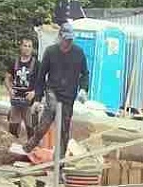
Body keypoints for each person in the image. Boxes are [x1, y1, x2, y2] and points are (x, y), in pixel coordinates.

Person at [23, 21, 90, 159]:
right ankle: (32, 143)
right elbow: (41, 76)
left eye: (70, 40)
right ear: (60, 37)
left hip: (69, 95)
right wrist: (37, 99)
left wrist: (83, 89)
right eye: (66, 40)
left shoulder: (78, 53)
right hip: (52, 91)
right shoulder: (50, 52)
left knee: (64, 130)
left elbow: (85, 73)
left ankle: (59, 161)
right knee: (46, 122)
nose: (68, 43)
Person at [5, 37, 39, 141]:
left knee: (31, 129)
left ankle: (32, 148)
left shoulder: (37, 64)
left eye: (29, 46)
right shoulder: (14, 62)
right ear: (21, 47)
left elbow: (42, 82)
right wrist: (10, 90)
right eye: (25, 46)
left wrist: (34, 92)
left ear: (32, 49)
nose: (27, 48)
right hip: (16, 99)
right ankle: (13, 146)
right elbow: (7, 78)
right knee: (13, 128)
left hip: (30, 101)